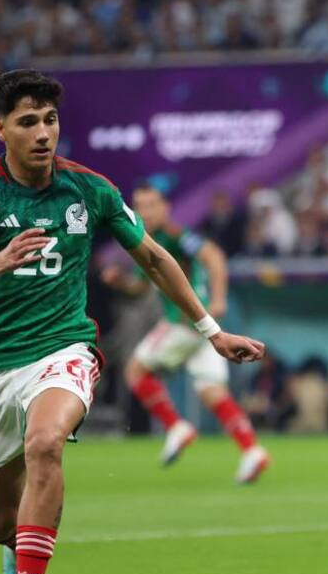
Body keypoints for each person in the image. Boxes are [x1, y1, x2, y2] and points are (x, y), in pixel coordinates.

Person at [0, 69, 265, 574]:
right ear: (0, 129)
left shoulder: (89, 189)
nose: (43, 132)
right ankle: (17, 552)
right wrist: (1, 261)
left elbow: (156, 259)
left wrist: (211, 330)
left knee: (45, 443)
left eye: (50, 120)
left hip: (63, 347)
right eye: (28, 122)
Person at [102, 183, 270, 484]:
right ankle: (251, 450)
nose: (146, 211)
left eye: (152, 204)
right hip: (206, 330)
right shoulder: (148, 240)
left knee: (136, 371)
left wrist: (218, 299)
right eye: (140, 205)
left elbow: (214, 256)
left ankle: (175, 427)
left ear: (166, 208)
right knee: (212, 391)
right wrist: (121, 284)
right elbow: (141, 288)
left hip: (186, 323)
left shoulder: (178, 236)